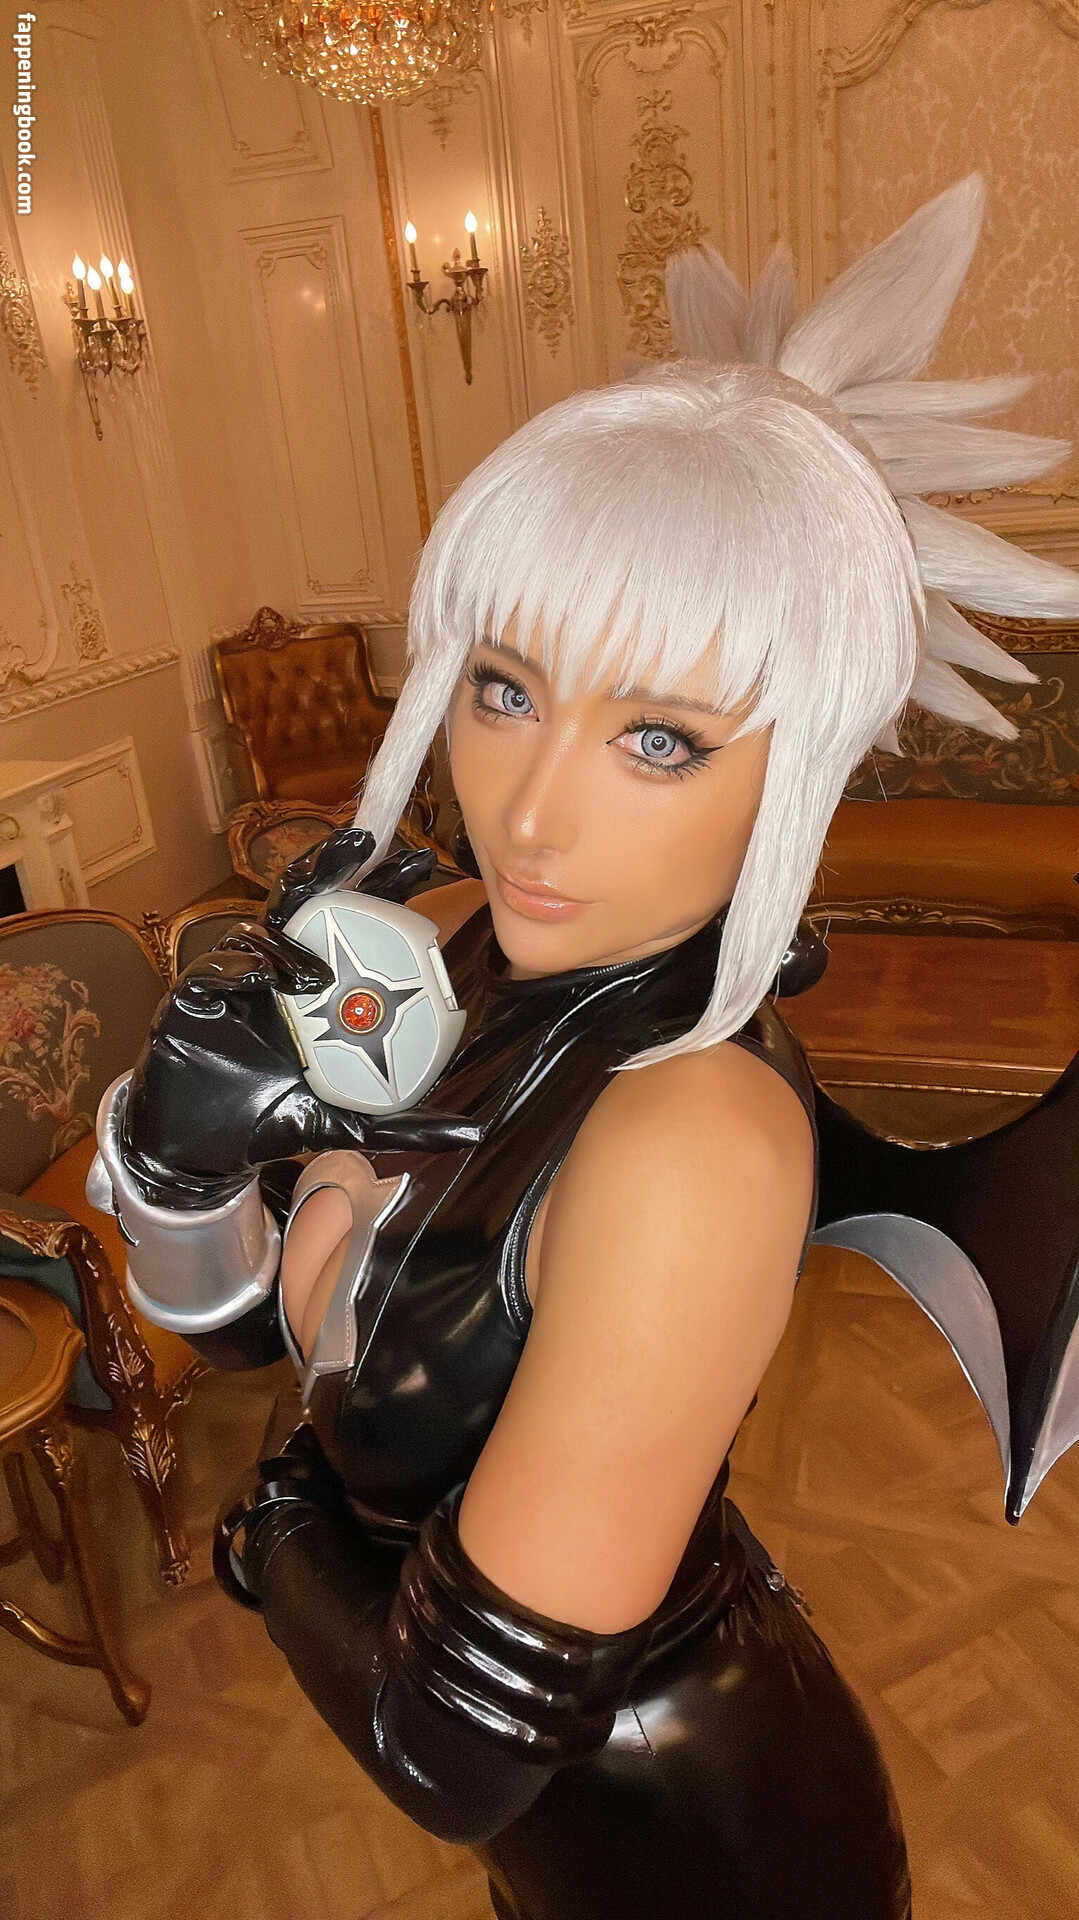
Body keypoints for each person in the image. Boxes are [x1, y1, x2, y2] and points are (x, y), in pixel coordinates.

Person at [88, 176, 1079, 1919]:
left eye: (661, 739)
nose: (531, 811)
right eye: (506, 689)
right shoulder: (462, 943)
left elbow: (448, 1752)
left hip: (705, 1846)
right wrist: (179, 1167)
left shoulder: (692, 1145)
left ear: (797, 767)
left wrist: (274, 1526)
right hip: (550, 1847)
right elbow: (284, 1329)